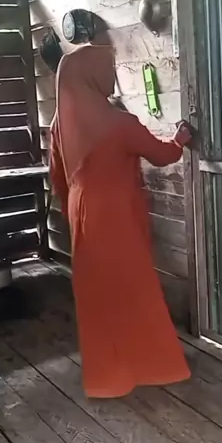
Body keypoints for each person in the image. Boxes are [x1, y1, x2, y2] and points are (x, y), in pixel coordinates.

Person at [47, 42, 192, 398]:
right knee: (132, 285)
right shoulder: (118, 123)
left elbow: (57, 174)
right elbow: (161, 155)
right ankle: (150, 364)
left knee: (97, 291)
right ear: (93, 76)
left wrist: (72, 210)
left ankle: (106, 373)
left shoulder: (59, 123)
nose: (111, 75)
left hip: (82, 210)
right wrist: (179, 140)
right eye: (107, 69)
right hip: (116, 214)